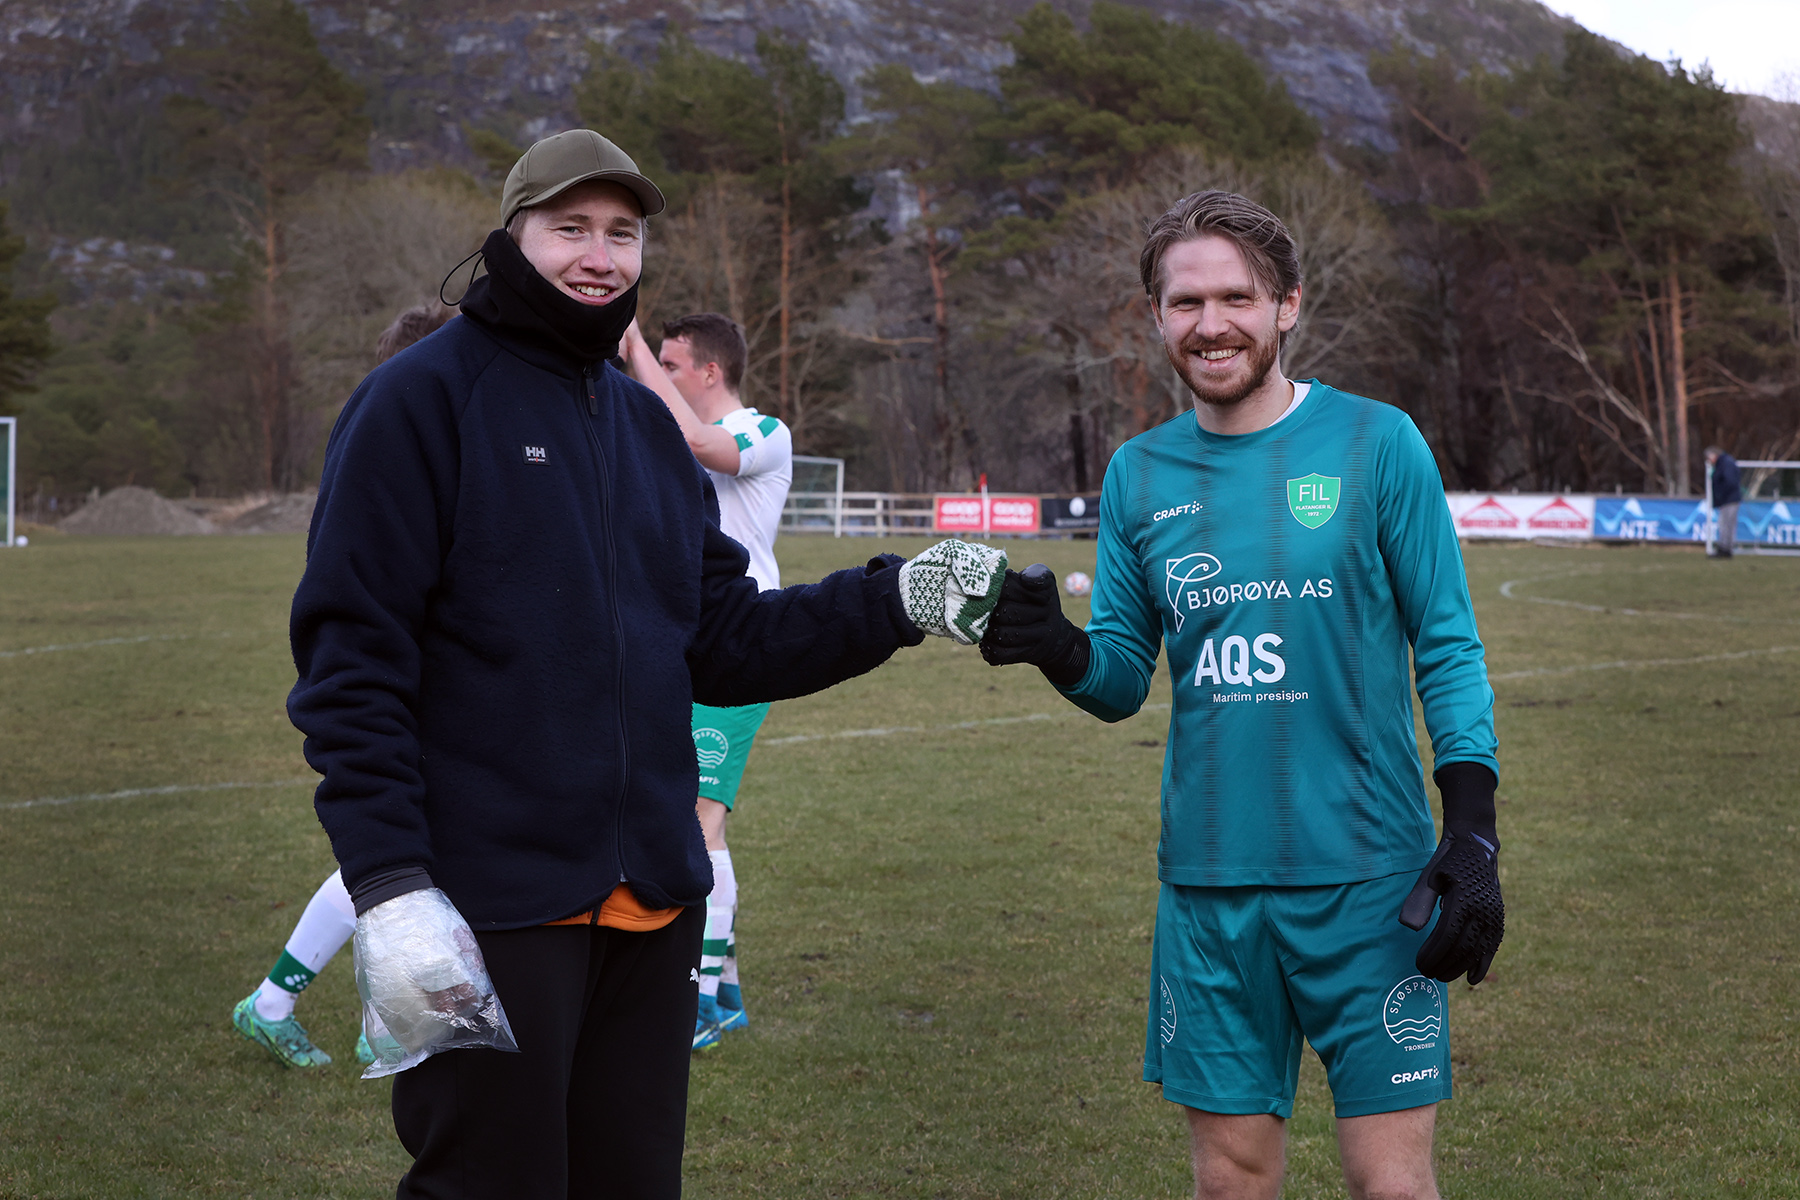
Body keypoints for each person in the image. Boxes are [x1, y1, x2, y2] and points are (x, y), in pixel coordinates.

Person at [286, 128, 1004, 1200]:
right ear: (511, 236)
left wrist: (894, 598)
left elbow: (721, 635)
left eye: (622, 234)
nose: (599, 256)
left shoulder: (642, 425)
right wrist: (390, 889)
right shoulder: (420, 401)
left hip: (649, 909)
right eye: (569, 227)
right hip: (490, 908)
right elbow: (353, 658)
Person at [979, 190, 1504, 1200]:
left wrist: (1472, 833)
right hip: (1210, 891)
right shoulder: (1140, 474)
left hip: (1375, 885)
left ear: (1287, 306)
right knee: (1230, 1180)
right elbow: (1124, 678)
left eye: (1236, 297)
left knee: (1388, 1183)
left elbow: (1447, 643)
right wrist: (1055, 648)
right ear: (1157, 315)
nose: (1210, 324)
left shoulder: (1376, 443)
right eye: (1185, 303)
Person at [232, 301, 454, 1071]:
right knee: (398, 854)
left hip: (431, 684)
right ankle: (329, 1010)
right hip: (405, 688)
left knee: (413, 851)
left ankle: (309, 1007)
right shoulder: (387, 449)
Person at [620, 313, 789, 1051]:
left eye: (669, 362)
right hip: (683, 641)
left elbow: (698, 442)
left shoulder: (762, 431)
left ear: (710, 372)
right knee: (680, 811)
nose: (656, 371)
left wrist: (626, 344)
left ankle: (701, 1006)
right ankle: (726, 991)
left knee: (700, 821)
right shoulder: (668, 435)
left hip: (743, 642)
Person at [1706, 446, 1742, 558]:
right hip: (1727, 499)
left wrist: (1721, 495)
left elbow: (1729, 481)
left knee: (1726, 524)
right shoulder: (1725, 463)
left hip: (1729, 499)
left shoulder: (1725, 463)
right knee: (1725, 524)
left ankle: (1725, 549)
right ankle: (1724, 548)